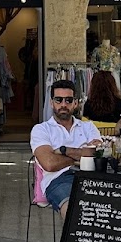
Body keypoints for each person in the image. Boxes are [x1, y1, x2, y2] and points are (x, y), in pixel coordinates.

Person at [30, 79, 104, 220]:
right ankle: (76, 241)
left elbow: (97, 154)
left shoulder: (88, 127)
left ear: (75, 103)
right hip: (59, 179)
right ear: (51, 103)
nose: (63, 105)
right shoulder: (41, 129)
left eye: (68, 100)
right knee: (73, 209)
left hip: (91, 177)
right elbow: (49, 164)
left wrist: (64, 151)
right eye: (58, 100)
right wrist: (82, 154)